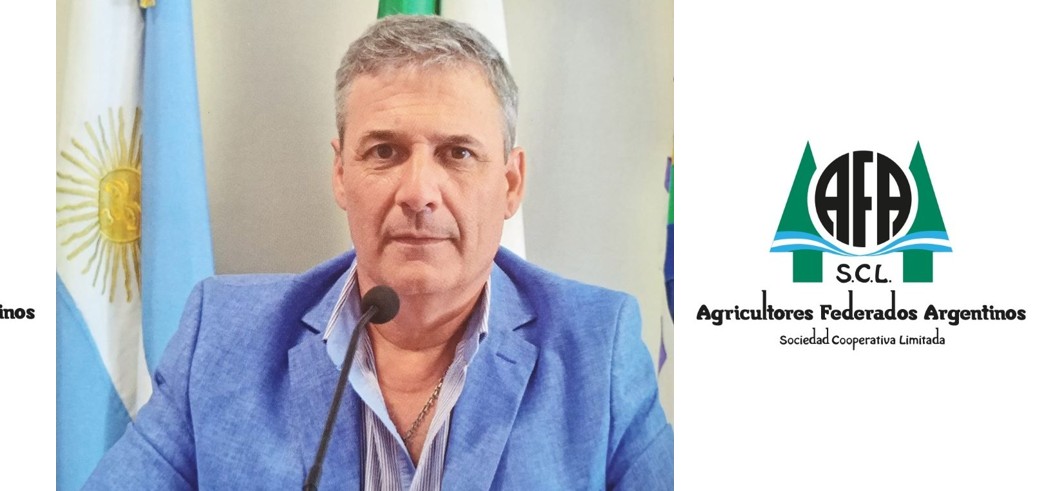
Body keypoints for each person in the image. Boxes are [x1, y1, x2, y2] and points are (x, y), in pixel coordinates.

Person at [86, 15, 673, 490]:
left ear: (511, 183)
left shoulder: (598, 348)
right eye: (385, 152)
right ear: (341, 174)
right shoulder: (223, 338)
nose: (418, 192)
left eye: (458, 153)